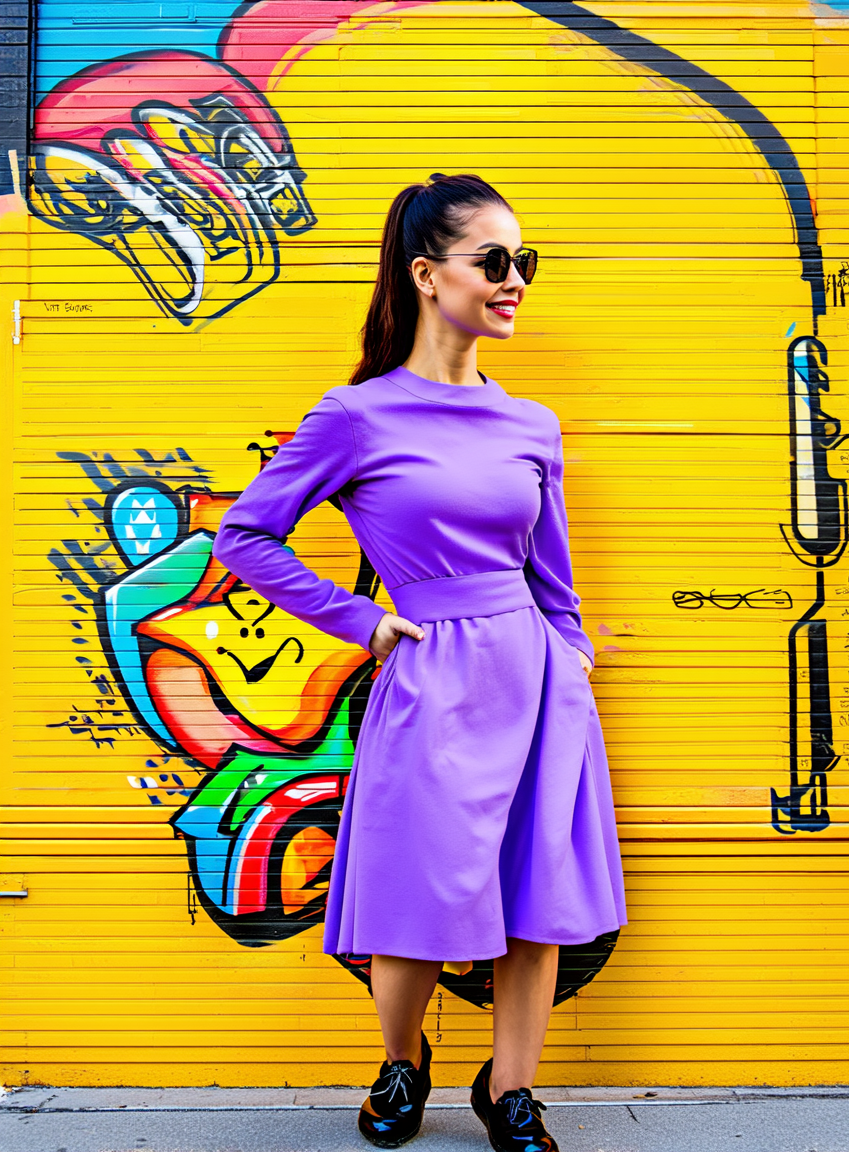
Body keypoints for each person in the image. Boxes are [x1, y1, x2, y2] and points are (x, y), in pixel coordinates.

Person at [212, 173, 628, 1152]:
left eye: (525, 261)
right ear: (427, 273)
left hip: (534, 684)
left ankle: (511, 1090)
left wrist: (569, 654)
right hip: (432, 681)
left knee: (535, 894)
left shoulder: (530, 424)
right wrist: (362, 621)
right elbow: (245, 536)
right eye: (495, 260)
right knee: (414, 891)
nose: (515, 279)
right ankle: (402, 1063)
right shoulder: (356, 416)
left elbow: (552, 575)